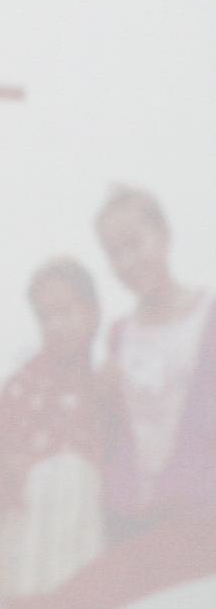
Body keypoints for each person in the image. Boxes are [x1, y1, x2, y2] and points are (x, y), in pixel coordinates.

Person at [0, 258, 127, 601]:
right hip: (27, 547)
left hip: (87, 545)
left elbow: (122, 462)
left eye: (65, 312)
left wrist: (110, 404)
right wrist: (4, 477)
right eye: (45, 317)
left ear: (93, 314)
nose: (56, 325)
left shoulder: (105, 386)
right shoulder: (22, 387)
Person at [95, 187, 215, 524]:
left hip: (202, 515)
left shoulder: (207, 317)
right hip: (136, 518)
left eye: (135, 244)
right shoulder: (119, 334)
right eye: (115, 253)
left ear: (164, 235)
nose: (128, 262)